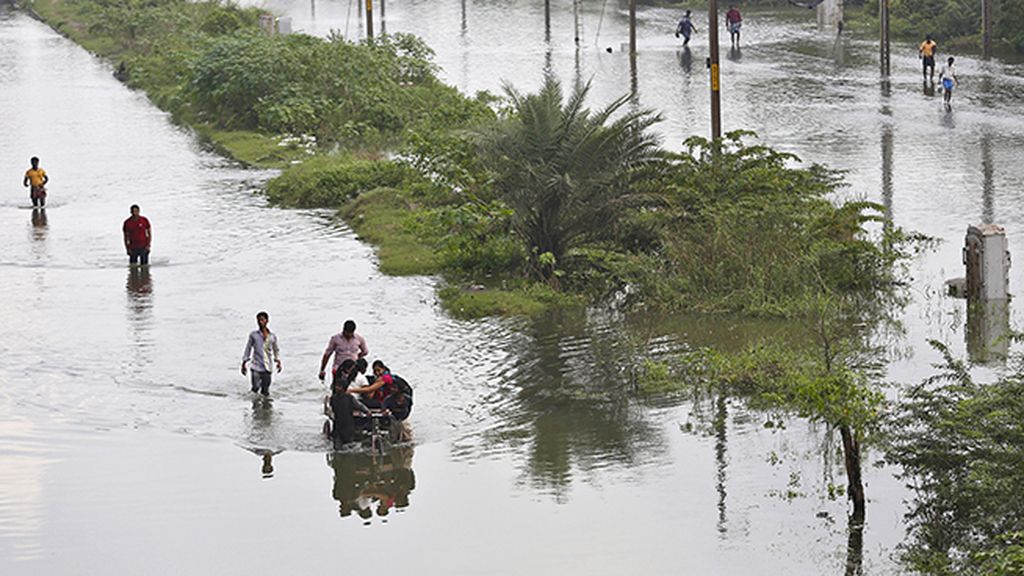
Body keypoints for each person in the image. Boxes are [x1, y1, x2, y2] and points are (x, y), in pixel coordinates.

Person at [241, 311, 282, 396]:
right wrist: (244, 362)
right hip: (256, 366)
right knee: (255, 388)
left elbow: (276, 349)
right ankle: (255, 407)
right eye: (258, 320)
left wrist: (278, 361)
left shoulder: (272, 336)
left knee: (265, 391)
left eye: (262, 320)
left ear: (267, 321)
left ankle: (265, 408)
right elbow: (248, 348)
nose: (260, 322)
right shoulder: (253, 335)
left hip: (267, 367)